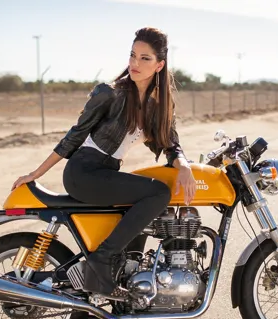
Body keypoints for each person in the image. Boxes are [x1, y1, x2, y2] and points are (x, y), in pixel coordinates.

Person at [11, 27, 196, 300]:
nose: (135, 63)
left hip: (106, 171)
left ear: (159, 65)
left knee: (140, 212)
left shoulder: (158, 106)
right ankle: (101, 260)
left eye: (145, 58)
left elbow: (170, 144)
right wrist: (36, 173)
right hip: (84, 172)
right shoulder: (110, 93)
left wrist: (185, 166)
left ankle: (131, 294)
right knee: (158, 193)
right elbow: (74, 135)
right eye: (133, 55)